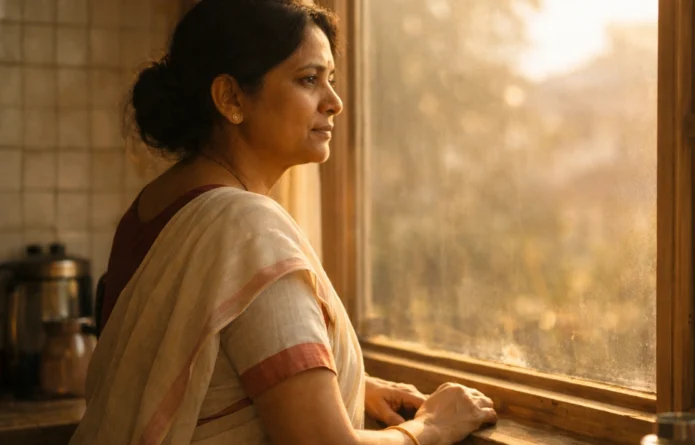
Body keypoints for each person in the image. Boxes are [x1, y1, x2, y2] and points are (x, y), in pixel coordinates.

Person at [69, 1, 497, 444]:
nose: (335, 102)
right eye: (308, 80)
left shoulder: (152, 207)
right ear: (231, 98)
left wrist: (341, 385)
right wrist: (432, 426)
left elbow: (207, 368)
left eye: (330, 79)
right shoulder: (246, 229)